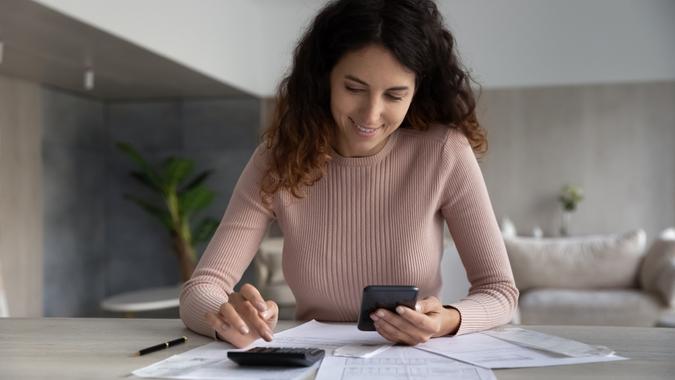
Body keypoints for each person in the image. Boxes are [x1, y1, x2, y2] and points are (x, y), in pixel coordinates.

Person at [180, 0, 518, 349]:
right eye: (353, 89)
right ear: (324, 79)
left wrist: (446, 320)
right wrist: (228, 319)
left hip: (415, 361)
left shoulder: (444, 152)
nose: (371, 115)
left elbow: (499, 291)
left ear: (417, 90)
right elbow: (200, 289)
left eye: (394, 95)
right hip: (314, 362)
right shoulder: (277, 159)